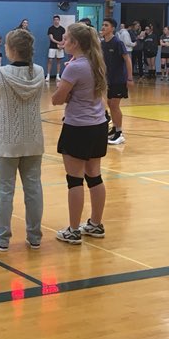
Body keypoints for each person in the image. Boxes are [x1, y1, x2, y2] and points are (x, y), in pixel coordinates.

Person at [0, 28, 45, 252]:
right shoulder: (39, 72)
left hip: (6, 142)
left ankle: (2, 239)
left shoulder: (0, 74)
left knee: (4, 191)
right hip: (33, 140)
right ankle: (35, 237)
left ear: (11, 50)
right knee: (34, 189)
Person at [52, 22, 109, 244]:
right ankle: (95, 224)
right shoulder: (95, 62)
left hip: (78, 126)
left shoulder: (74, 67)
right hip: (98, 125)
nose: (63, 42)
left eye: (66, 39)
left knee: (74, 180)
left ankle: (73, 230)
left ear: (75, 43)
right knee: (94, 176)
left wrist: (61, 88)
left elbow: (57, 99)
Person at [100, 18, 133, 145]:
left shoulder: (117, 42)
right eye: (102, 25)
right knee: (109, 103)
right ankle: (114, 128)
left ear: (112, 28)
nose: (103, 27)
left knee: (114, 105)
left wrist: (129, 78)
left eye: (106, 25)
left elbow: (127, 59)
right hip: (108, 79)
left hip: (119, 79)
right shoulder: (102, 43)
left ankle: (119, 133)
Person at [46, 15, 66, 81]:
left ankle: (57, 76)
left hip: (60, 48)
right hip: (52, 47)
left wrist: (61, 44)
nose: (56, 21)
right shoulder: (50, 29)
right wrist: (58, 42)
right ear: (53, 20)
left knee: (58, 61)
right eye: (55, 20)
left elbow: (63, 38)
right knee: (50, 61)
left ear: (59, 20)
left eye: (57, 19)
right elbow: (51, 38)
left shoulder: (62, 29)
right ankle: (48, 75)